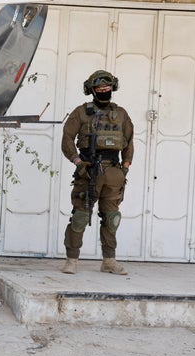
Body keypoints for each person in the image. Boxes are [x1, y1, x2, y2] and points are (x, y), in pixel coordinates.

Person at [61, 70, 134, 275]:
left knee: (112, 217)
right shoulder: (81, 112)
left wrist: (125, 168)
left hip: (113, 172)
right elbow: (67, 138)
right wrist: (78, 162)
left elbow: (129, 143)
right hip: (88, 171)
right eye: (100, 89)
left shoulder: (121, 114)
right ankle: (72, 260)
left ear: (112, 88)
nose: (104, 91)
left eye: (107, 88)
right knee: (80, 216)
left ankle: (109, 261)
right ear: (91, 90)